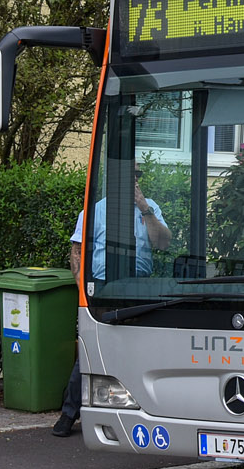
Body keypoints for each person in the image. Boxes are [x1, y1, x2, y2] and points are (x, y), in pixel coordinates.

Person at [53, 167, 171, 437]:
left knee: (141, 347)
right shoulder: (95, 211)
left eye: (136, 178)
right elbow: (77, 253)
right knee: (94, 348)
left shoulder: (149, 208)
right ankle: (69, 413)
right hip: (105, 287)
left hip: (140, 286)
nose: (132, 183)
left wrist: (143, 207)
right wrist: (84, 291)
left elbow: (162, 243)